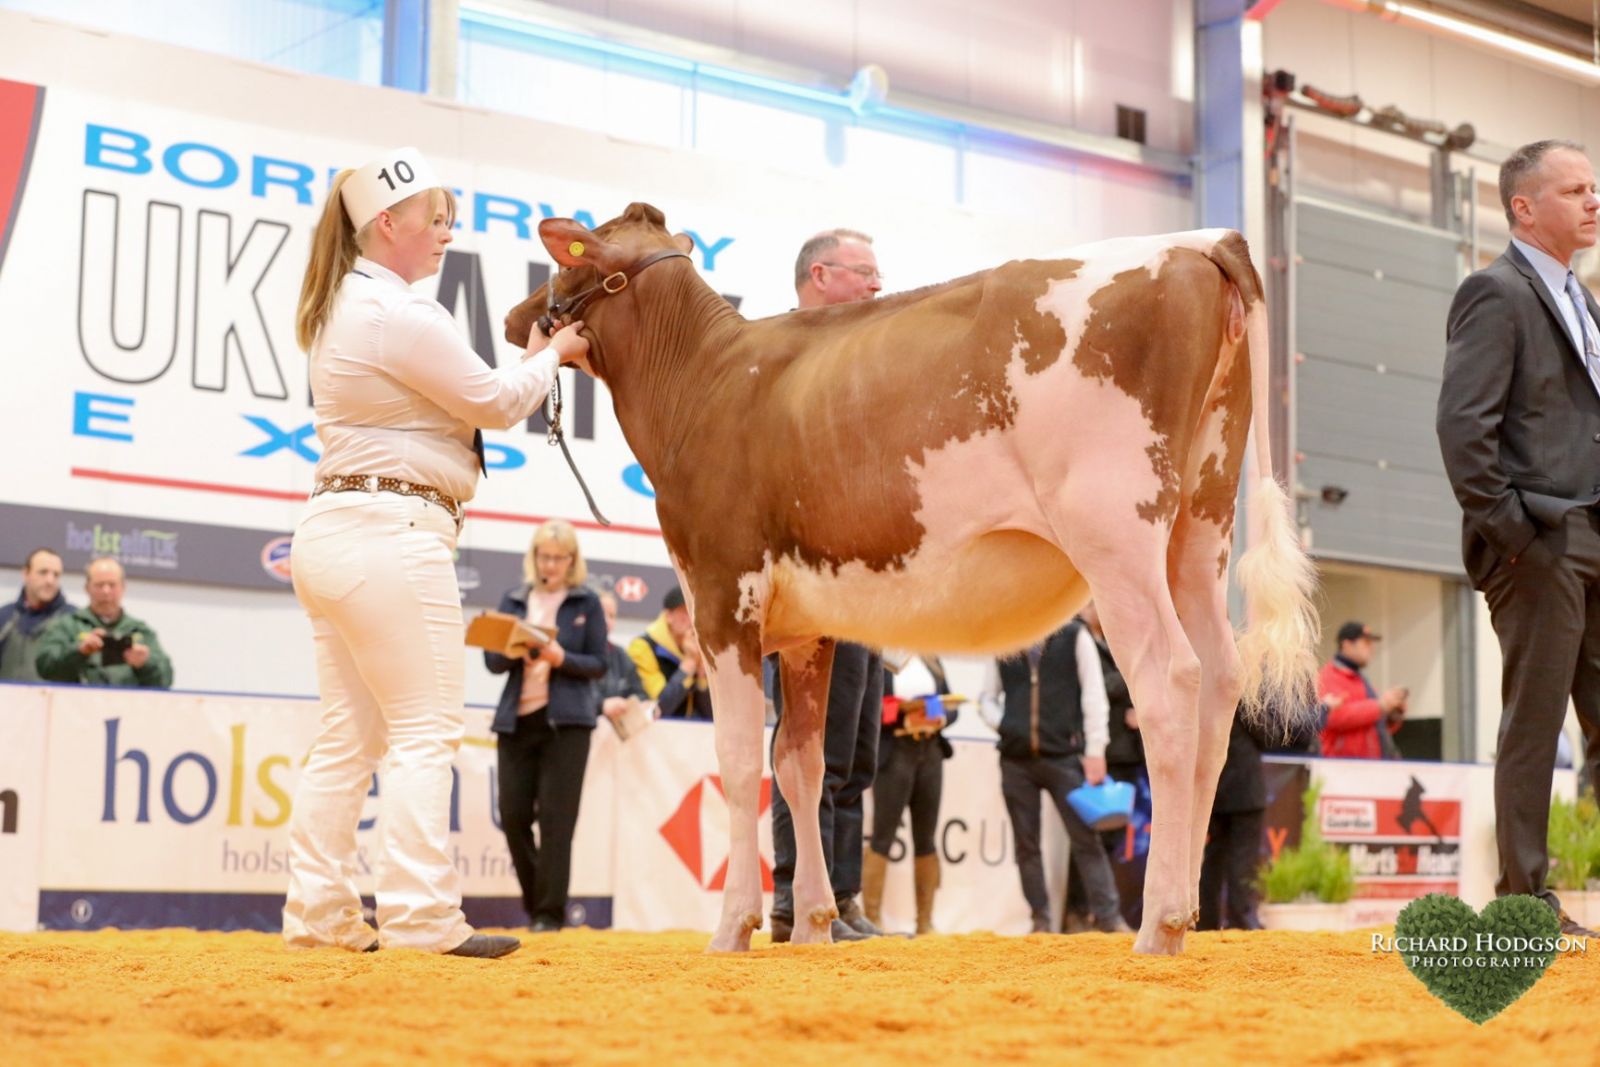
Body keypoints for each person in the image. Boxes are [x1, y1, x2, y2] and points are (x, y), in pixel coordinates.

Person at [282, 145, 588, 959]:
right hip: (393, 533)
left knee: (348, 737)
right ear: (390, 222)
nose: (449, 232)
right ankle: (420, 917)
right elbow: (494, 402)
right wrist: (557, 354)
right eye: (438, 217)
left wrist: (533, 359)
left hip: (335, 530)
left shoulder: (345, 304)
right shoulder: (401, 313)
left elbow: (475, 395)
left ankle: (319, 913)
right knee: (424, 730)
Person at [1437, 137, 1600, 939]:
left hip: (1593, 533)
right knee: (1535, 724)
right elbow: (1462, 429)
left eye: (1594, 188)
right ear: (1524, 208)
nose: (1594, 201)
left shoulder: (1584, 300)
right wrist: (1514, 535)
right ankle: (1522, 904)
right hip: (1539, 539)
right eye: (1575, 190)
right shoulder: (1494, 292)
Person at [767, 228, 886, 943]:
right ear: (820, 274)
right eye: (864, 271)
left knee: (856, 754)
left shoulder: (866, 358)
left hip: (865, 583)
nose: (877, 284)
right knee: (810, 744)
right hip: (809, 584)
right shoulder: (777, 352)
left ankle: (843, 895)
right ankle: (796, 897)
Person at [485, 520, 608, 931]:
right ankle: (538, 903)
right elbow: (492, 661)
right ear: (534, 557)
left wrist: (559, 658)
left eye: (558, 558)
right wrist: (515, 649)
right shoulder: (514, 598)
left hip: (567, 724)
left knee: (557, 822)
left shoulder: (587, 602)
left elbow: (599, 664)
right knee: (513, 814)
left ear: (572, 561)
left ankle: (548, 914)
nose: (550, 564)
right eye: (544, 556)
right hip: (516, 721)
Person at [980, 615, 1131, 935]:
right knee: (1026, 844)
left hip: (1065, 757)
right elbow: (986, 698)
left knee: (1086, 838)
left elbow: (1094, 695)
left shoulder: (1075, 635)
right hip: (1015, 760)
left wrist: (1096, 749)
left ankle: (1108, 916)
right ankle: (1041, 919)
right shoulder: (1006, 636)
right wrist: (1005, 725)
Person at [1063, 601, 1144, 933]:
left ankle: (1097, 910)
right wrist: (1135, 674)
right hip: (1098, 753)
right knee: (1088, 837)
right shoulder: (1076, 638)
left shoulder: (1113, 642)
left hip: (1125, 752)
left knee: (1111, 837)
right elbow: (1096, 687)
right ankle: (1078, 910)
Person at [862, 654, 956, 935]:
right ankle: (872, 918)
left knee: (927, 837)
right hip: (895, 751)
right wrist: (902, 714)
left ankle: (925, 921)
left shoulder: (932, 658)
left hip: (931, 751)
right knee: (883, 835)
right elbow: (869, 708)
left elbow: (951, 705)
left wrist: (937, 714)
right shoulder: (882, 659)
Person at [35, 557, 172, 688]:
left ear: (123, 588)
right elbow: (45, 667)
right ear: (87, 588)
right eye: (99, 585)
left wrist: (145, 664)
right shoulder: (67, 626)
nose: (106, 591)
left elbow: (166, 680)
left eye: (112, 585)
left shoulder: (139, 631)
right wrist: (79, 651)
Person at [1197, 712, 1268, 931]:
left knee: (1213, 858)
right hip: (1245, 789)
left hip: (1213, 787)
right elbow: (1268, 735)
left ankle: (1205, 921)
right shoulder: (1244, 697)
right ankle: (1241, 921)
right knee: (1243, 861)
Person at [1316, 622, 1407, 759]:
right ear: (1347, 645)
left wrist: (1391, 715)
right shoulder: (1328, 676)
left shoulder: (1360, 679)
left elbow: (1371, 725)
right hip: (1342, 766)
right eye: (1366, 642)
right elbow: (1332, 717)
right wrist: (1380, 706)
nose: (1371, 648)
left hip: (1365, 764)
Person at [627, 586, 712, 720]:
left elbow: (710, 715)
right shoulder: (642, 647)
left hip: (694, 731)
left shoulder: (699, 649)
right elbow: (658, 707)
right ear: (668, 616)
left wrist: (702, 675)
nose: (693, 619)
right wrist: (689, 664)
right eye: (686, 612)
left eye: (697, 612)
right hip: (657, 730)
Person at [0, 548, 75, 682]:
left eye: (56, 575)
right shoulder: (4, 617)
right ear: (25, 573)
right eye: (43, 572)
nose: (50, 580)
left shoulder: (74, 619)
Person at [596, 590, 650, 726]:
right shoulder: (574, 653)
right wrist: (601, 705)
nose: (607, 621)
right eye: (601, 614)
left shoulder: (621, 655)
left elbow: (640, 694)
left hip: (616, 731)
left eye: (612, 616)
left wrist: (641, 705)